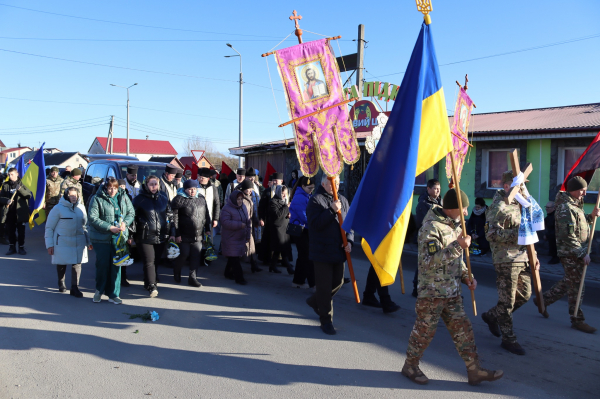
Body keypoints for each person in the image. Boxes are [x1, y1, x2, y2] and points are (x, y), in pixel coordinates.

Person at [402, 188, 503, 386]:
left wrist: (467, 276)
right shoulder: (431, 228)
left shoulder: (456, 226)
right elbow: (429, 261)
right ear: (453, 208)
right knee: (424, 331)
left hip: (452, 291)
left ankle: (474, 370)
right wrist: (458, 246)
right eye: (464, 208)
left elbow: (459, 261)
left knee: (463, 331)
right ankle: (410, 366)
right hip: (432, 292)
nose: (467, 213)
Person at [482, 171, 540, 355]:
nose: (523, 188)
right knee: (507, 301)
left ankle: (492, 316)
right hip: (505, 258)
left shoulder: (522, 204)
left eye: (523, 185)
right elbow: (490, 235)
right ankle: (509, 339)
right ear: (507, 186)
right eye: (519, 185)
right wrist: (517, 235)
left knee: (525, 294)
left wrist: (534, 255)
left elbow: (530, 231)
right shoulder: (499, 206)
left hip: (522, 257)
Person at [540, 177, 600, 333]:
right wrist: (582, 253)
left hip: (576, 252)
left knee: (571, 281)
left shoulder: (575, 206)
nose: (585, 193)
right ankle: (577, 319)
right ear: (573, 189)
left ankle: (543, 300)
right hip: (571, 253)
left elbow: (579, 226)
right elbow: (568, 236)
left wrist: (591, 217)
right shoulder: (566, 208)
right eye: (582, 190)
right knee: (577, 286)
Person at [305, 175, 353, 335]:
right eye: (333, 183)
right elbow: (314, 224)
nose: (336, 186)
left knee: (338, 283)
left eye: (338, 183)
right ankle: (326, 320)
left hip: (338, 251)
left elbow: (349, 224)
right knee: (324, 288)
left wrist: (349, 241)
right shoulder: (316, 200)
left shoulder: (343, 200)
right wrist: (331, 210)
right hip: (322, 251)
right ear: (324, 184)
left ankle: (314, 300)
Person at [88, 177, 135, 304]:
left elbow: (131, 212)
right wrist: (109, 227)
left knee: (116, 265)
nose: (112, 191)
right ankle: (99, 291)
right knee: (102, 265)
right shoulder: (96, 198)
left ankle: (114, 294)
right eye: (109, 188)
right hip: (101, 238)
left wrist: (125, 223)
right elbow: (93, 218)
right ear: (105, 187)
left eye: (114, 188)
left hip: (119, 237)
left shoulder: (123, 196)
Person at [132, 175, 175, 297]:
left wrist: (172, 232)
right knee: (149, 261)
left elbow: (170, 215)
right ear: (146, 185)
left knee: (156, 260)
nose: (153, 186)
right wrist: (131, 235)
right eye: (151, 184)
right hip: (144, 236)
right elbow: (132, 217)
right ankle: (152, 285)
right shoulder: (139, 199)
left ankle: (148, 281)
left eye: (155, 184)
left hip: (160, 234)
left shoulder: (163, 198)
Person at [45, 187, 92, 298]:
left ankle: (75, 287)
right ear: (66, 196)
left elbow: (86, 225)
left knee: (77, 264)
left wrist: (89, 241)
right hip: (62, 241)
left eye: (75, 195)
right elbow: (49, 228)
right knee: (62, 263)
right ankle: (61, 281)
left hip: (78, 241)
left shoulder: (81, 208)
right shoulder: (58, 208)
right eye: (71, 195)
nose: (73, 197)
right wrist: (50, 244)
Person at [171, 179, 211, 287]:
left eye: (194, 189)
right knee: (184, 254)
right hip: (184, 234)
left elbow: (206, 214)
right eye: (190, 189)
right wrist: (177, 234)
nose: (192, 191)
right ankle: (177, 270)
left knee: (196, 255)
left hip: (198, 233)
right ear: (185, 189)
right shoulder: (178, 199)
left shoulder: (201, 198)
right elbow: (174, 218)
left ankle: (193, 278)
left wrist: (207, 227)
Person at [412, 179, 442, 297]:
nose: (437, 191)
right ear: (428, 189)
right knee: (424, 261)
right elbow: (422, 222)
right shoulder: (423, 204)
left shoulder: (440, 202)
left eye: (439, 189)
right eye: (435, 188)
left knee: (434, 261)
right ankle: (416, 286)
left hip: (438, 237)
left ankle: (432, 286)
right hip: (427, 237)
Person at [220, 190, 251, 285]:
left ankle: (227, 273)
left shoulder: (243, 207)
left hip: (240, 237)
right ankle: (239, 278)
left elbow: (248, 222)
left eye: (241, 199)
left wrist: (248, 235)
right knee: (235, 258)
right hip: (230, 237)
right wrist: (239, 225)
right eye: (238, 199)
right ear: (234, 199)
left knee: (233, 256)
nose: (240, 201)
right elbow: (225, 222)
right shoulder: (227, 208)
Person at [289, 176, 315, 289]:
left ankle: (298, 280)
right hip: (300, 229)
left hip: (304, 229)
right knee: (306, 256)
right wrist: (315, 223)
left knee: (303, 256)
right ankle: (312, 282)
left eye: (313, 188)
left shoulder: (306, 195)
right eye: (309, 188)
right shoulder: (300, 197)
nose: (311, 190)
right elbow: (304, 216)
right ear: (303, 186)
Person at [0, 168, 32, 255]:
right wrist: (6, 201)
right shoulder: (6, 185)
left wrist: (20, 189)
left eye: (12, 174)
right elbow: (1, 197)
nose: (10, 176)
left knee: (21, 232)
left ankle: (21, 248)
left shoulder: (23, 183)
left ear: (17, 174)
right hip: (9, 212)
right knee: (11, 231)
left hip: (20, 213)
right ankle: (12, 247)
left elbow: (28, 195)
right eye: (9, 175)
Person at [258, 172, 284, 264]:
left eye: (276, 181)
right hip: (270, 220)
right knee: (268, 240)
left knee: (282, 240)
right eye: (273, 181)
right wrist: (261, 218)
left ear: (281, 181)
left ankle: (282, 260)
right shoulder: (267, 191)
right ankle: (268, 259)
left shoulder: (286, 191)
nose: (274, 182)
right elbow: (261, 206)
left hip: (282, 221)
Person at [196, 168, 221, 265]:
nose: (201, 179)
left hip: (209, 219)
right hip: (197, 218)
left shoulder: (213, 188)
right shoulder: (195, 186)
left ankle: (207, 258)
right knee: (198, 239)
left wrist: (215, 218)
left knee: (208, 239)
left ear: (208, 178)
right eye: (199, 177)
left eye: (203, 177)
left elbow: (217, 204)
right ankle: (197, 258)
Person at [269, 185, 294, 274]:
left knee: (279, 249)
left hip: (284, 227)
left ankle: (272, 266)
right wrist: (286, 207)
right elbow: (278, 214)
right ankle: (288, 268)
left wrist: (288, 214)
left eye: (285, 194)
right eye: (282, 194)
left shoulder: (283, 201)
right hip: (278, 228)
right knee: (281, 248)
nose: (284, 195)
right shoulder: (273, 202)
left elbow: (284, 213)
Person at [237, 179, 261, 272]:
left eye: (251, 188)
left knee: (251, 246)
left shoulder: (249, 197)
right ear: (244, 189)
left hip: (249, 225)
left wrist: (256, 221)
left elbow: (252, 211)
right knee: (241, 248)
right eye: (248, 189)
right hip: (241, 226)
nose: (250, 190)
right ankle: (232, 268)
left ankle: (254, 265)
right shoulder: (240, 198)